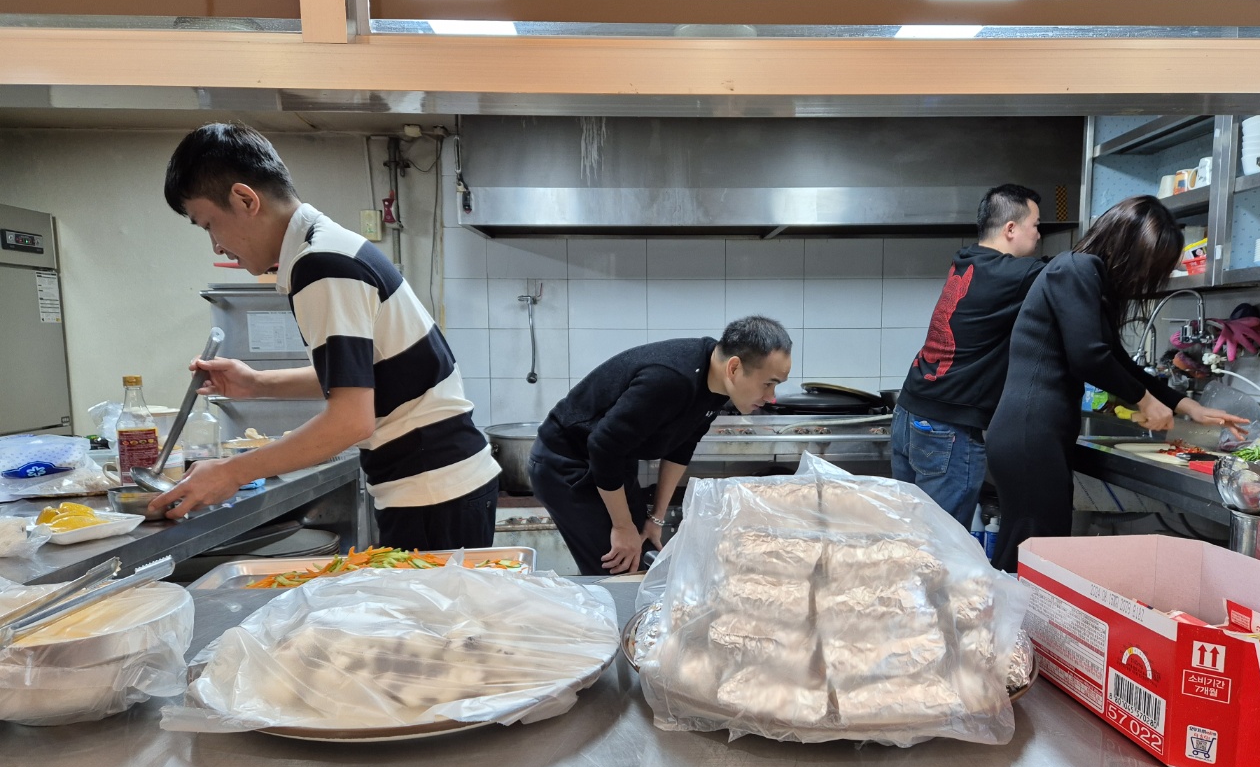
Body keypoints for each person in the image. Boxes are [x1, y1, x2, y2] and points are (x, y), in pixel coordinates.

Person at [150, 123, 501, 550]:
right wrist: (256, 383)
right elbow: (363, 376)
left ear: (245, 199)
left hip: (432, 491)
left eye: (209, 224)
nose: (216, 246)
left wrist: (232, 472)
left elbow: (350, 421)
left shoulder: (322, 265)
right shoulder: (329, 248)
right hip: (443, 486)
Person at [984, 195, 1250, 572]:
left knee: (1030, 550)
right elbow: (1088, 356)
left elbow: (1115, 359)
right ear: (1130, 249)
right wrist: (1145, 401)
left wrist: (1186, 405)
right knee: (1032, 554)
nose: (1145, 279)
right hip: (1029, 434)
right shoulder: (1076, 268)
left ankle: (1010, 608)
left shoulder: (1086, 276)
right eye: (1149, 267)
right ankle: (1010, 610)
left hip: (1034, 433)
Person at [529, 316, 792, 576]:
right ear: (733, 368)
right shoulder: (671, 379)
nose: (771, 398)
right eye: (768, 383)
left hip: (614, 463)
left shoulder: (716, 383)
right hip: (568, 462)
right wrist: (622, 527)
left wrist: (656, 518)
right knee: (619, 569)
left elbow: (682, 447)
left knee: (640, 558)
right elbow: (603, 446)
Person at [891, 184, 1048, 528]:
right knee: (944, 545)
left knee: (912, 536)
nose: (1039, 235)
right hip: (946, 427)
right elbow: (1071, 273)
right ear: (1011, 228)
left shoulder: (967, 259)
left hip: (909, 412)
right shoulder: (1015, 273)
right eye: (1036, 225)